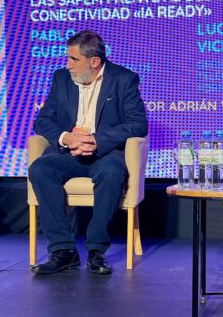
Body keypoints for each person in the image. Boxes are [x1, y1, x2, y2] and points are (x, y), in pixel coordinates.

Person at [29, 30, 148, 276]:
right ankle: (63, 251)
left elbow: (138, 124)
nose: (68, 65)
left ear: (94, 61)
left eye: (74, 59)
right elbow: (42, 121)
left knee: (111, 172)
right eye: (68, 58)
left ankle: (96, 251)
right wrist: (67, 138)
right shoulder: (62, 78)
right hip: (69, 153)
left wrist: (96, 140)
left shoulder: (123, 79)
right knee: (40, 168)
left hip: (105, 154)